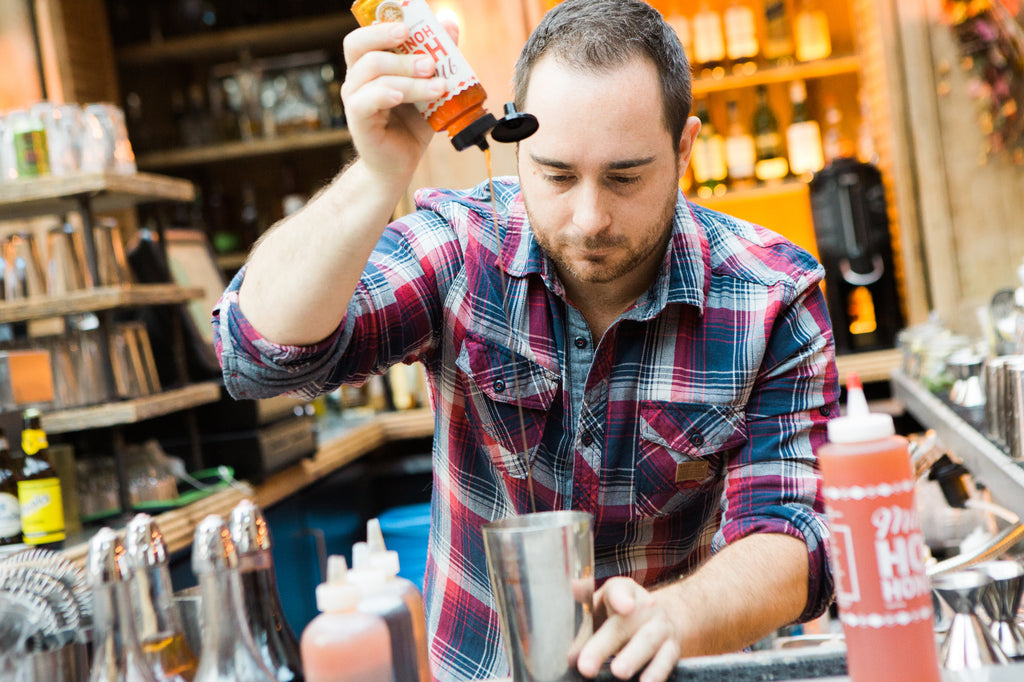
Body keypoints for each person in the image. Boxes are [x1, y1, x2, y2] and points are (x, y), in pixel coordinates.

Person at [213, 0, 840, 680]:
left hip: (679, 663)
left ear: (683, 148)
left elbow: (793, 532)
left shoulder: (771, 293)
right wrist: (377, 174)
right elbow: (256, 357)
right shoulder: (462, 246)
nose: (590, 217)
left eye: (625, 177)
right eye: (557, 175)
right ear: (517, 145)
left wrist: (672, 617)